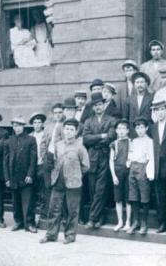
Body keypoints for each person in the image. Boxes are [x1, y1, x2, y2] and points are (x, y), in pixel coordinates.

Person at [40, 118, 90, 245]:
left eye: (71, 129)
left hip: (73, 184)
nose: (68, 131)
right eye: (67, 129)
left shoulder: (80, 147)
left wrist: (75, 175)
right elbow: (54, 162)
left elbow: (86, 166)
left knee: (72, 210)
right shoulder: (58, 145)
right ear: (63, 130)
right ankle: (51, 235)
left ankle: (70, 235)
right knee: (54, 209)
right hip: (58, 182)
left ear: (76, 132)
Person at [82, 91, 117, 229]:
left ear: (104, 104)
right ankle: (99, 217)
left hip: (104, 156)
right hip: (91, 157)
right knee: (92, 189)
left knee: (101, 188)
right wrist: (101, 136)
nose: (98, 107)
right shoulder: (88, 121)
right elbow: (86, 139)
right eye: (95, 105)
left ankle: (92, 218)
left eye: (100, 104)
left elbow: (111, 136)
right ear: (92, 107)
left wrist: (96, 138)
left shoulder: (111, 120)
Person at [4, 116, 38, 232]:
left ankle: (29, 223)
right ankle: (18, 222)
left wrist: (30, 174)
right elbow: (5, 161)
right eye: (14, 125)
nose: (16, 128)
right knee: (16, 201)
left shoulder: (31, 140)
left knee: (28, 201)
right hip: (13, 177)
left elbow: (34, 160)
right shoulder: (9, 141)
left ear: (23, 127)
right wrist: (7, 178)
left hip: (26, 177)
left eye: (19, 125)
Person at [149, 99, 166, 234]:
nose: (160, 113)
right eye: (157, 110)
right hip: (156, 167)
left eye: (162, 110)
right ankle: (162, 223)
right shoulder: (152, 128)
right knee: (159, 197)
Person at [126, 117, 154, 235]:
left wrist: (150, 172)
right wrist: (129, 164)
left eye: (142, 127)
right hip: (133, 168)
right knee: (133, 196)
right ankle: (135, 221)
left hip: (143, 167)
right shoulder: (134, 141)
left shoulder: (149, 141)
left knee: (144, 196)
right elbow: (130, 155)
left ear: (146, 128)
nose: (140, 130)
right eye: (137, 128)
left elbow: (151, 158)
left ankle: (144, 223)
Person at [109, 119, 131, 232]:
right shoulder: (114, 144)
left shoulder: (131, 142)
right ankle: (120, 221)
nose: (121, 131)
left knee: (128, 199)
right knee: (118, 199)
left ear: (127, 130)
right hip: (118, 173)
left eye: (124, 128)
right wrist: (113, 176)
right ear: (116, 131)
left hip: (128, 173)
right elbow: (111, 161)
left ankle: (128, 222)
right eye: (119, 128)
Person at [28, 112, 49, 227]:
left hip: (42, 166)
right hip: (32, 167)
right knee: (33, 192)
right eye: (35, 122)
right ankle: (33, 217)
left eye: (39, 122)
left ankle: (43, 216)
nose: (37, 124)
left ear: (42, 123)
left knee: (43, 191)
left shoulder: (46, 135)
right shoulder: (30, 136)